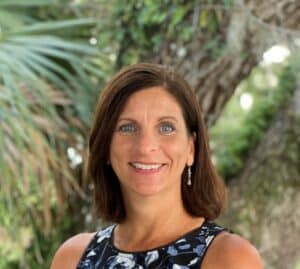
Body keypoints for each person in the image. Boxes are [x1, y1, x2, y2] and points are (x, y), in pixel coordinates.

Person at [50, 63, 263, 269]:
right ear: (105, 146)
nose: (145, 146)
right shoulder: (72, 258)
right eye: (127, 127)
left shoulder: (231, 258)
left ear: (191, 148)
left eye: (166, 127)